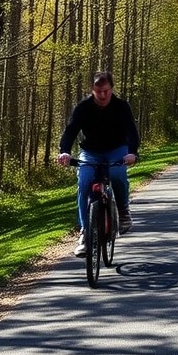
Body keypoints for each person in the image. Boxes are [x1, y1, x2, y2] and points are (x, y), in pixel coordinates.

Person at [58, 71, 140, 257]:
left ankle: (123, 210)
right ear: (92, 90)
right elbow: (71, 131)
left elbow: (131, 132)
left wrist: (132, 152)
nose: (102, 95)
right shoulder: (83, 108)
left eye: (106, 91)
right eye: (98, 91)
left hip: (117, 149)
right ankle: (85, 234)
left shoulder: (121, 107)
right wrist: (64, 151)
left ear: (111, 89)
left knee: (117, 174)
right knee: (84, 182)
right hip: (91, 152)